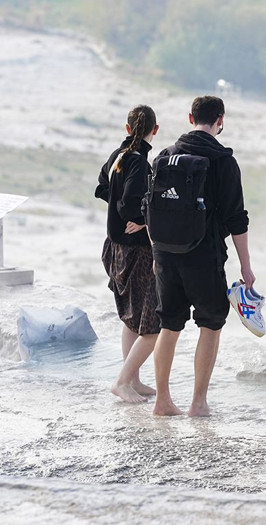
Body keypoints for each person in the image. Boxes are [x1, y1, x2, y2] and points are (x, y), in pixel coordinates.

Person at [151, 96, 255, 418]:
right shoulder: (223, 161)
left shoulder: (164, 156)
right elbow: (237, 218)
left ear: (190, 118)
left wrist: (156, 252)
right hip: (204, 255)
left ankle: (162, 400)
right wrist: (246, 267)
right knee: (210, 324)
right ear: (220, 120)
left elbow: (151, 209)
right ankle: (198, 403)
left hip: (165, 254)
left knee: (169, 325)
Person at [95, 104, 160, 404]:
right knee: (150, 320)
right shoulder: (139, 163)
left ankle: (132, 379)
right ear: (155, 130)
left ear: (127, 128)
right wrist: (141, 220)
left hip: (115, 247)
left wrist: (118, 207)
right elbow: (130, 203)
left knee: (131, 317)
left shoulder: (117, 156)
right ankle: (122, 381)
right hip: (136, 251)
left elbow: (102, 189)